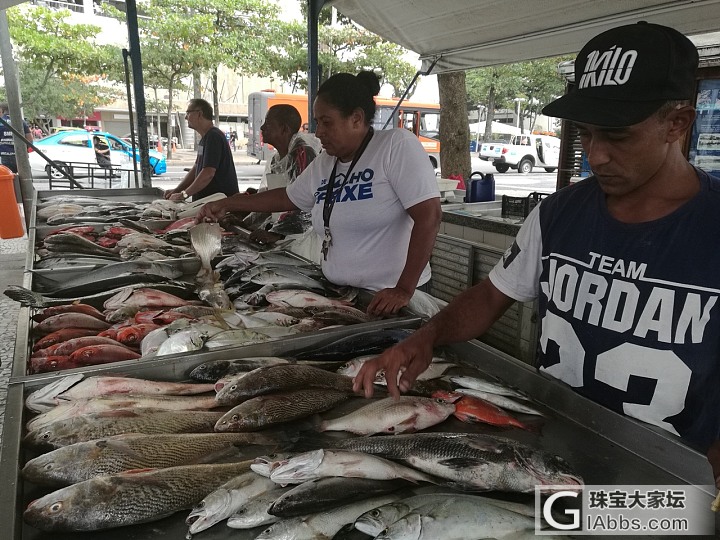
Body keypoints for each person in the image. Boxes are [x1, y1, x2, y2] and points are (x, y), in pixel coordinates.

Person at [353, 22, 720, 476]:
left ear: (676, 124)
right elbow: (491, 295)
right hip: (548, 454)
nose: (596, 155)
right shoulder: (557, 213)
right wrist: (425, 337)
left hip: (668, 485)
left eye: (618, 136)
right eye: (586, 133)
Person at [197, 71, 442, 316]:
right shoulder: (327, 162)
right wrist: (229, 203)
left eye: (327, 122)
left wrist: (403, 289)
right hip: (346, 295)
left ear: (356, 118)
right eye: (316, 123)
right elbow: (286, 197)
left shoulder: (394, 146)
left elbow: (429, 216)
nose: (319, 132)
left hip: (392, 299)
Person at [245, 104, 321, 246]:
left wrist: (277, 233)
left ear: (284, 129)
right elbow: (272, 200)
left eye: (268, 124)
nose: (262, 128)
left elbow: (302, 203)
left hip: (299, 240)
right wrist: (248, 222)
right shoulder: (276, 159)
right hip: (281, 236)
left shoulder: (302, 154)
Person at [164, 99, 239, 202]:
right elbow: (196, 168)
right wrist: (177, 190)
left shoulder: (214, 137)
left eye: (188, 113)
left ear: (199, 114)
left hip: (219, 205)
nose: (186, 117)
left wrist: (184, 195)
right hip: (207, 204)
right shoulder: (205, 138)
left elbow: (208, 173)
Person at [0, 103, 33, 173]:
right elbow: (30, 139)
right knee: (25, 180)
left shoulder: (1, 122)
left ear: (2, 110)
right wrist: (25, 150)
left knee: (7, 179)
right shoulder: (21, 122)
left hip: (4, 156)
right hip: (20, 155)